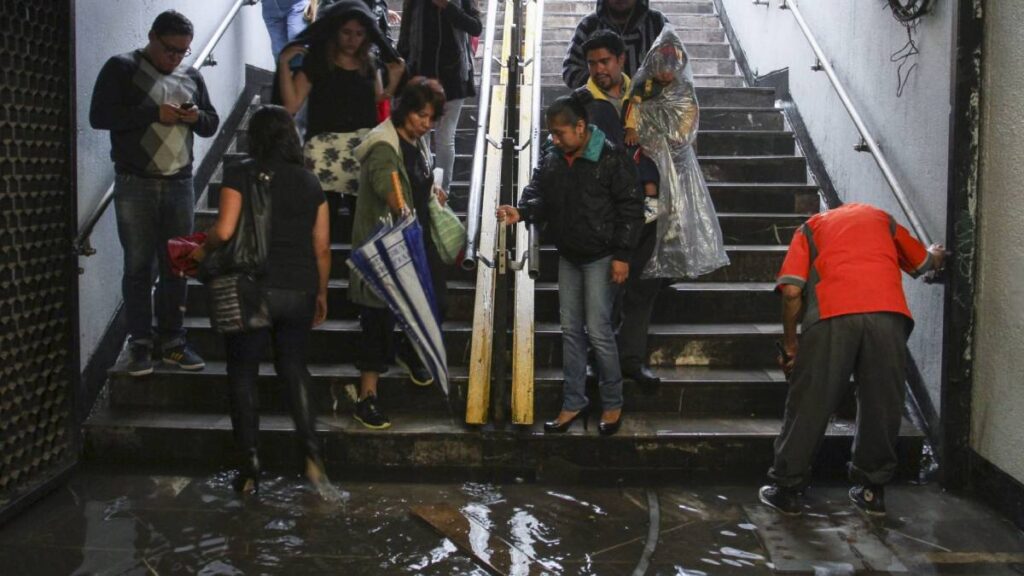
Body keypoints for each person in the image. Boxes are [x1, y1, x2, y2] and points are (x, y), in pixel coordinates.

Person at [758, 203, 946, 517]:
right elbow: (923, 262)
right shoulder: (881, 219)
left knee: (811, 400)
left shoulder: (810, 228)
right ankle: (872, 491)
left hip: (832, 316)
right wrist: (935, 253)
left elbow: (791, 292)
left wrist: (791, 347)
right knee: (881, 403)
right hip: (887, 316)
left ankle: (787, 489)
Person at [189, 105, 337, 499]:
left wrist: (200, 252)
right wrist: (321, 292)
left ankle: (251, 468)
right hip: (299, 288)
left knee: (243, 371)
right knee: (294, 366)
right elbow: (322, 247)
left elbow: (224, 231)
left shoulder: (240, 172)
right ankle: (312, 457)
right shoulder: (310, 181)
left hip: (252, 287)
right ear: (290, 137)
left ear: (255, 137)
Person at [497, 95, 643, 436]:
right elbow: (538, 192)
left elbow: (631, 208)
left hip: (601, 256)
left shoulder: (610, 157)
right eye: (552, 133)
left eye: (560, 133)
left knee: (599, 331)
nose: (555, 139)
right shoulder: (553, 156)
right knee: (571, 332)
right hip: (570, 255)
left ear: (580, 127)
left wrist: (622, 255)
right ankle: (573, 401)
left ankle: (612, 402)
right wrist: (523, 211)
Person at [89, 10, 219, 377]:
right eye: (170, 49)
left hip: (180, 182)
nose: (175, 58)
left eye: (183, 51)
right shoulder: (122, 67)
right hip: (135, 182)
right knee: (138, 267)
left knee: (178, 264)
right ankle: (140, 344)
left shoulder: (191, 76)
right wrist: (152, 113)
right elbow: (100, 116)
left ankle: (173, 341)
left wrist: (196, 118)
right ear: (152, 37)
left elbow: (211, 122)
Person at [348, 78, 451, 430]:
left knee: (437, 299)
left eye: (431, 118)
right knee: (377, 319)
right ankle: (367, 397)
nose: (426, 123)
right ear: (405, 109)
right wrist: (401, 207)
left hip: (418, 237)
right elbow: (387, 185)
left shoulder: (417, 142)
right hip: (386, 244)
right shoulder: (383, 145)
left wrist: (433, 192)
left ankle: (407, 347)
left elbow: (418, 182)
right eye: (421, 115)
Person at [578, 30, 663, 388]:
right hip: (606, 214)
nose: (599, 69)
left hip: (647, 208)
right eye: (592, 63)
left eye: (605, 61)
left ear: (621, 60)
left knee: (642, 288)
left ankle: (631, 360)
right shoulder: (582, 103)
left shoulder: (644, 94)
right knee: (604, 290)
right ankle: (596, 360)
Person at [627, 27, 729, 280]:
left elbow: (688, 116)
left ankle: (678, 247)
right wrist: (639, 131)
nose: (665, 72)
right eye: (661, 66)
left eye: (671, 66)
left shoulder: (684, 90)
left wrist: (677, 136)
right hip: (650, 150)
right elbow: (635, 109)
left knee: (682, 200)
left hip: (677, 152)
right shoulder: (644, 86)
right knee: (652, 187)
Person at [398, 0, 482, 190]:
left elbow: (475, 27)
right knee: (421, 136)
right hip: (421, 76)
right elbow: (405, 34)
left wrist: (447, 6)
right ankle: (424, 189)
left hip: (454, 78)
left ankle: (443, 192)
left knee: (445, 138)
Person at [562, 0, 667, 89]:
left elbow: (675, 68)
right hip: (600, 105)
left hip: (652, 104)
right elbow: (570, 70)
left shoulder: (658, 23)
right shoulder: (589, 26)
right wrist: (601, 84)